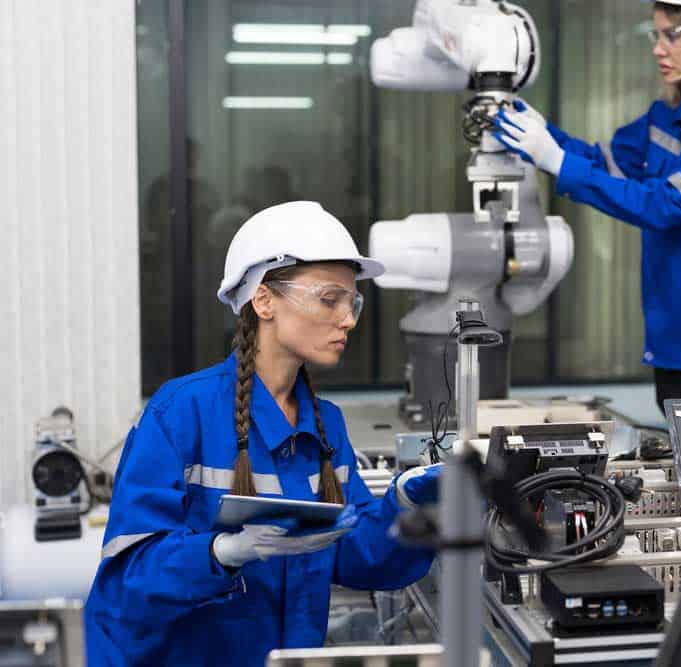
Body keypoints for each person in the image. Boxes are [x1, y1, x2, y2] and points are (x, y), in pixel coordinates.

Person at [85, 201, 442, 666]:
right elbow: (128, 581)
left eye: (352, 301)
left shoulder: (324, 424)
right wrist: (223, 552)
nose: (348, 319)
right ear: (264, 300)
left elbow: (356, 553)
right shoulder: (180, 414)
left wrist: (408, 506)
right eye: (329, 299)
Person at [494, 1, 681, 427]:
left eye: (670, 35)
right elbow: (606, 162)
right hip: (676, 348)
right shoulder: (669, 117)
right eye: (655, 35)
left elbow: (665, 205)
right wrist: (544, 136)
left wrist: (555, 159)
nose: (658, 49)